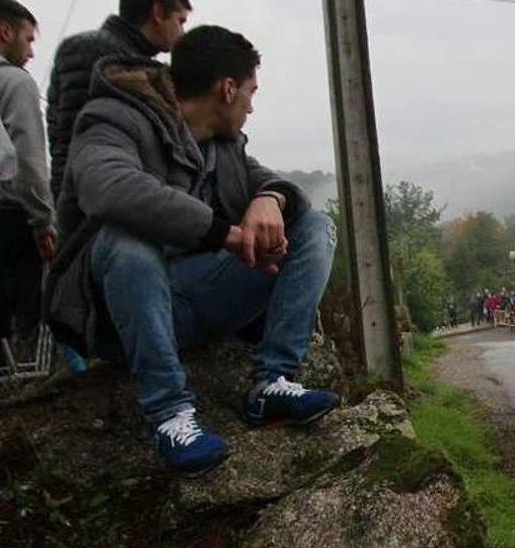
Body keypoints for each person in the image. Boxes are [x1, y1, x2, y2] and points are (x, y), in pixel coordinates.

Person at [51, 26, 336, 474]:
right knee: (128, 241)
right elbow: (107, 188)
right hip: (122, 311)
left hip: (193, 300)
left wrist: (269, 198)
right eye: (250, 91)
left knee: (315, 226)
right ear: (227, 89)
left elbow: (277, 186)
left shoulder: (226, 146)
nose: (252, 104)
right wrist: (222, 232)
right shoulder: (111, 117)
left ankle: (272, 381)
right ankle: (172, 417)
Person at [0, 0, 56, 369]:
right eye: (28, 39)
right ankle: (26, 388)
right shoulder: (15, 82)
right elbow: (29, 160)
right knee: (26, 313)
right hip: (13, 215)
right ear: (5, 32)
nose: (31, 51)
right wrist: (43, 221)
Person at [46, 0, 191, 200]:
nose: (181, 32)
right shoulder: (96, 52)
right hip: (93, 202)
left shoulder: (139, 63)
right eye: (180, 21)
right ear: (158, 12)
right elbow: (71, 134)